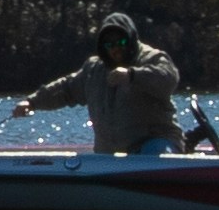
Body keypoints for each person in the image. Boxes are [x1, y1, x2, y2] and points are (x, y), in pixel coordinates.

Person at [17, 11, 186, 156]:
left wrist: (132, 75)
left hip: (155, 145)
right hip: (111, 156)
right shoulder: (94, 70)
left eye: (121, 42)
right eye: (110, 44)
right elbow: (66, 88)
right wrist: (32, 102)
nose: (115, 48)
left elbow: (169, 79)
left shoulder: (152, 58)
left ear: (131, 39)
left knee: (154, 155)